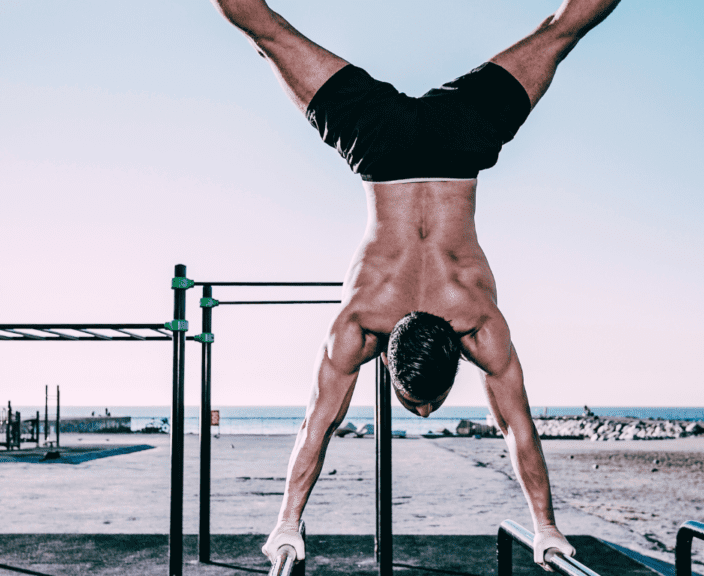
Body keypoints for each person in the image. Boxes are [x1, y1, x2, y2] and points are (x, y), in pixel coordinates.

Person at [211, 0, 621, 570]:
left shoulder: (474, 319)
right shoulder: (366, 321)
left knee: (560, 33)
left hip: (463, 141)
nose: (422, 410)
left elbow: (515, 431)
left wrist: (289, 525)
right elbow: (319, 426)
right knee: (268, 33)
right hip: (381, 146)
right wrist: (544, 528)